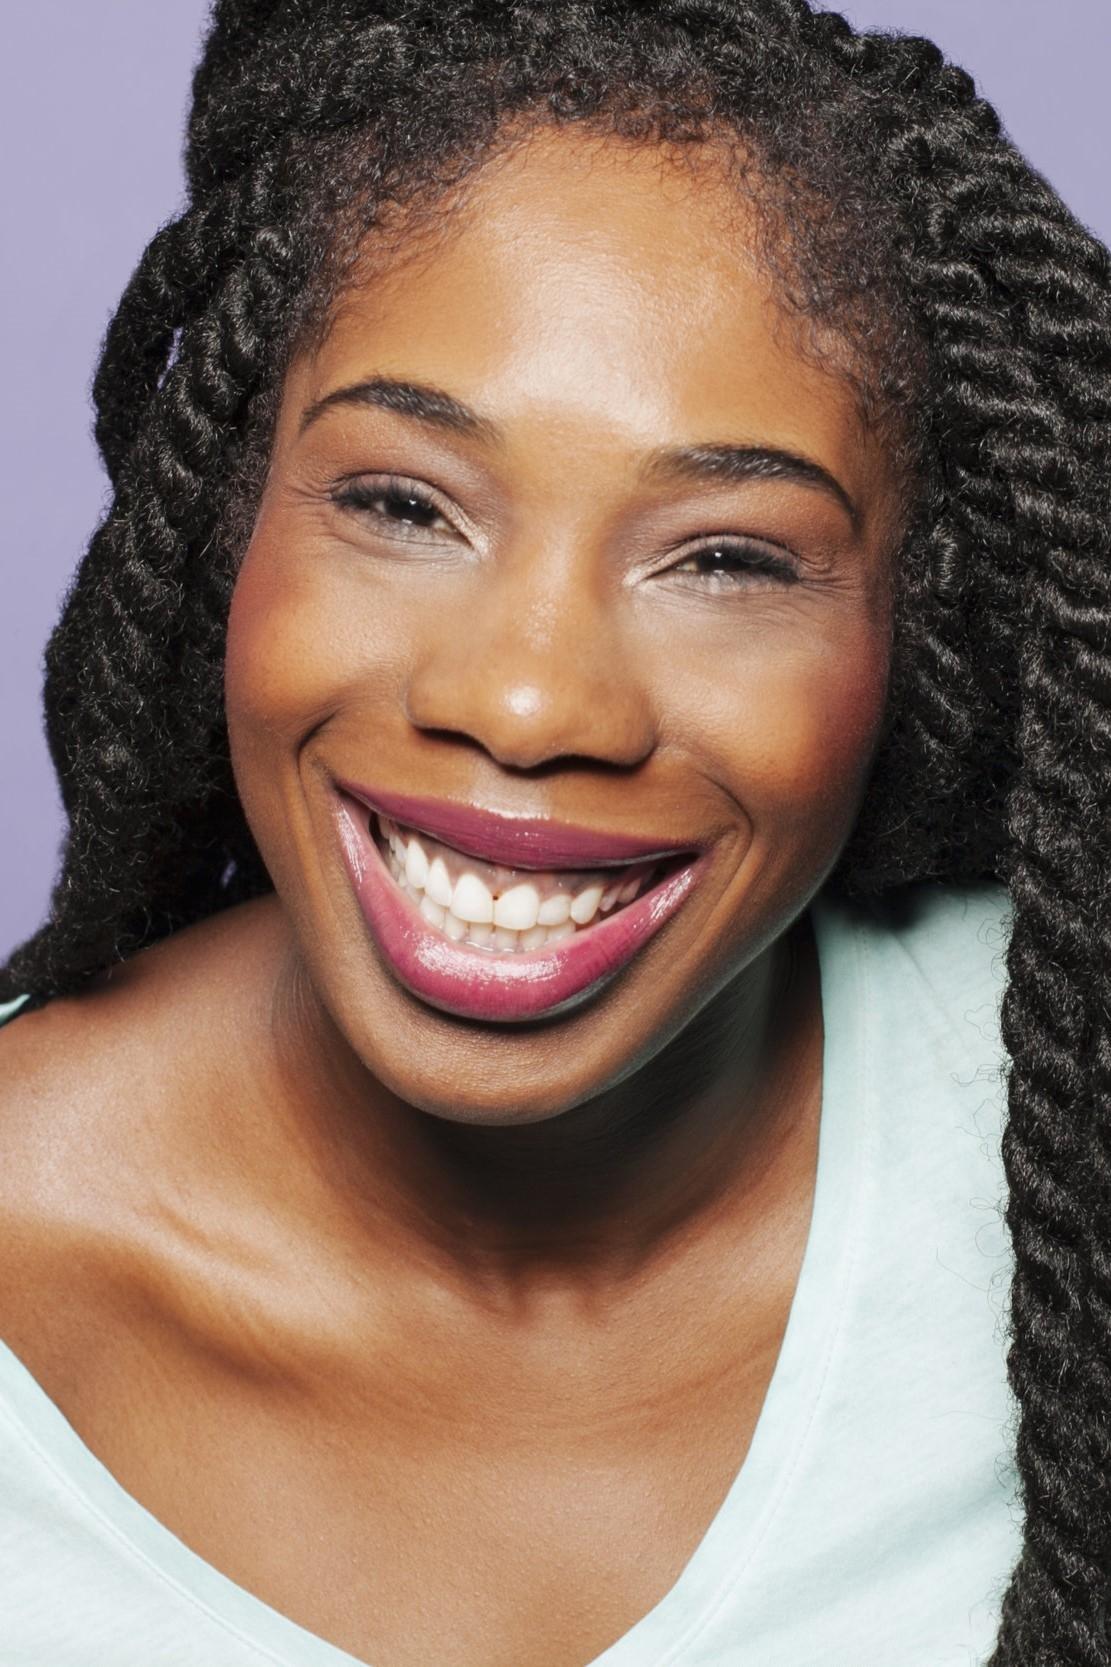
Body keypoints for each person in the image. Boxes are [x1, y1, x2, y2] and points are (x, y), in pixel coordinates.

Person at [1, 0, 1107, 1662]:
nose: (527, 705)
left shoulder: (1061, 1089)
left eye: (726, 559)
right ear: (230, 518)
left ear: (918, 633)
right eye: (402, 505)